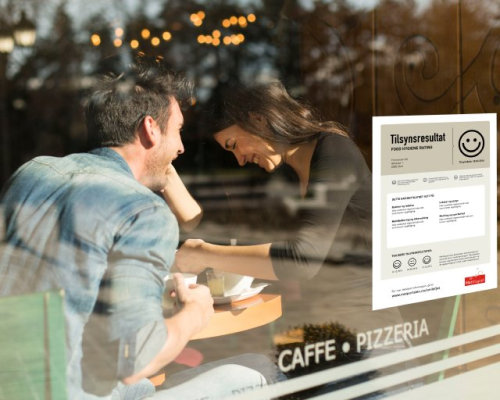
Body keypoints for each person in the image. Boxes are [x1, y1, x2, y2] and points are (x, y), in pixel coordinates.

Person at [0, 58, 274, 400]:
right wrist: (195, 313)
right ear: (150, 129)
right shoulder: (144, 211)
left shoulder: (33, 172)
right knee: (262, 368)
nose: (181, 147)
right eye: (177, 130)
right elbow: (134, 359)